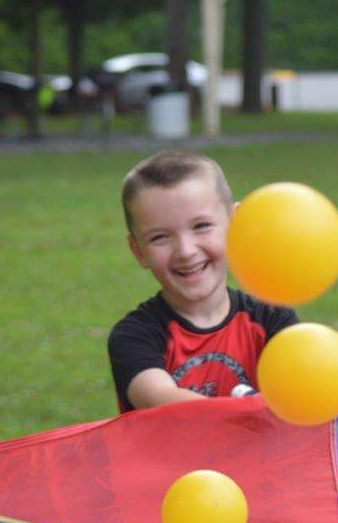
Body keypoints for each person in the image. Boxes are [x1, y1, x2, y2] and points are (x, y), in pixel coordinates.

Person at [108, 150, 297, 412]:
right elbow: (160, 399)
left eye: (201, 226)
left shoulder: (272, 320)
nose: (186, 250)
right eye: (159, 237)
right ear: (138, 251)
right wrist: (248, 413)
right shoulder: (135, 336)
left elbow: (301, 391)